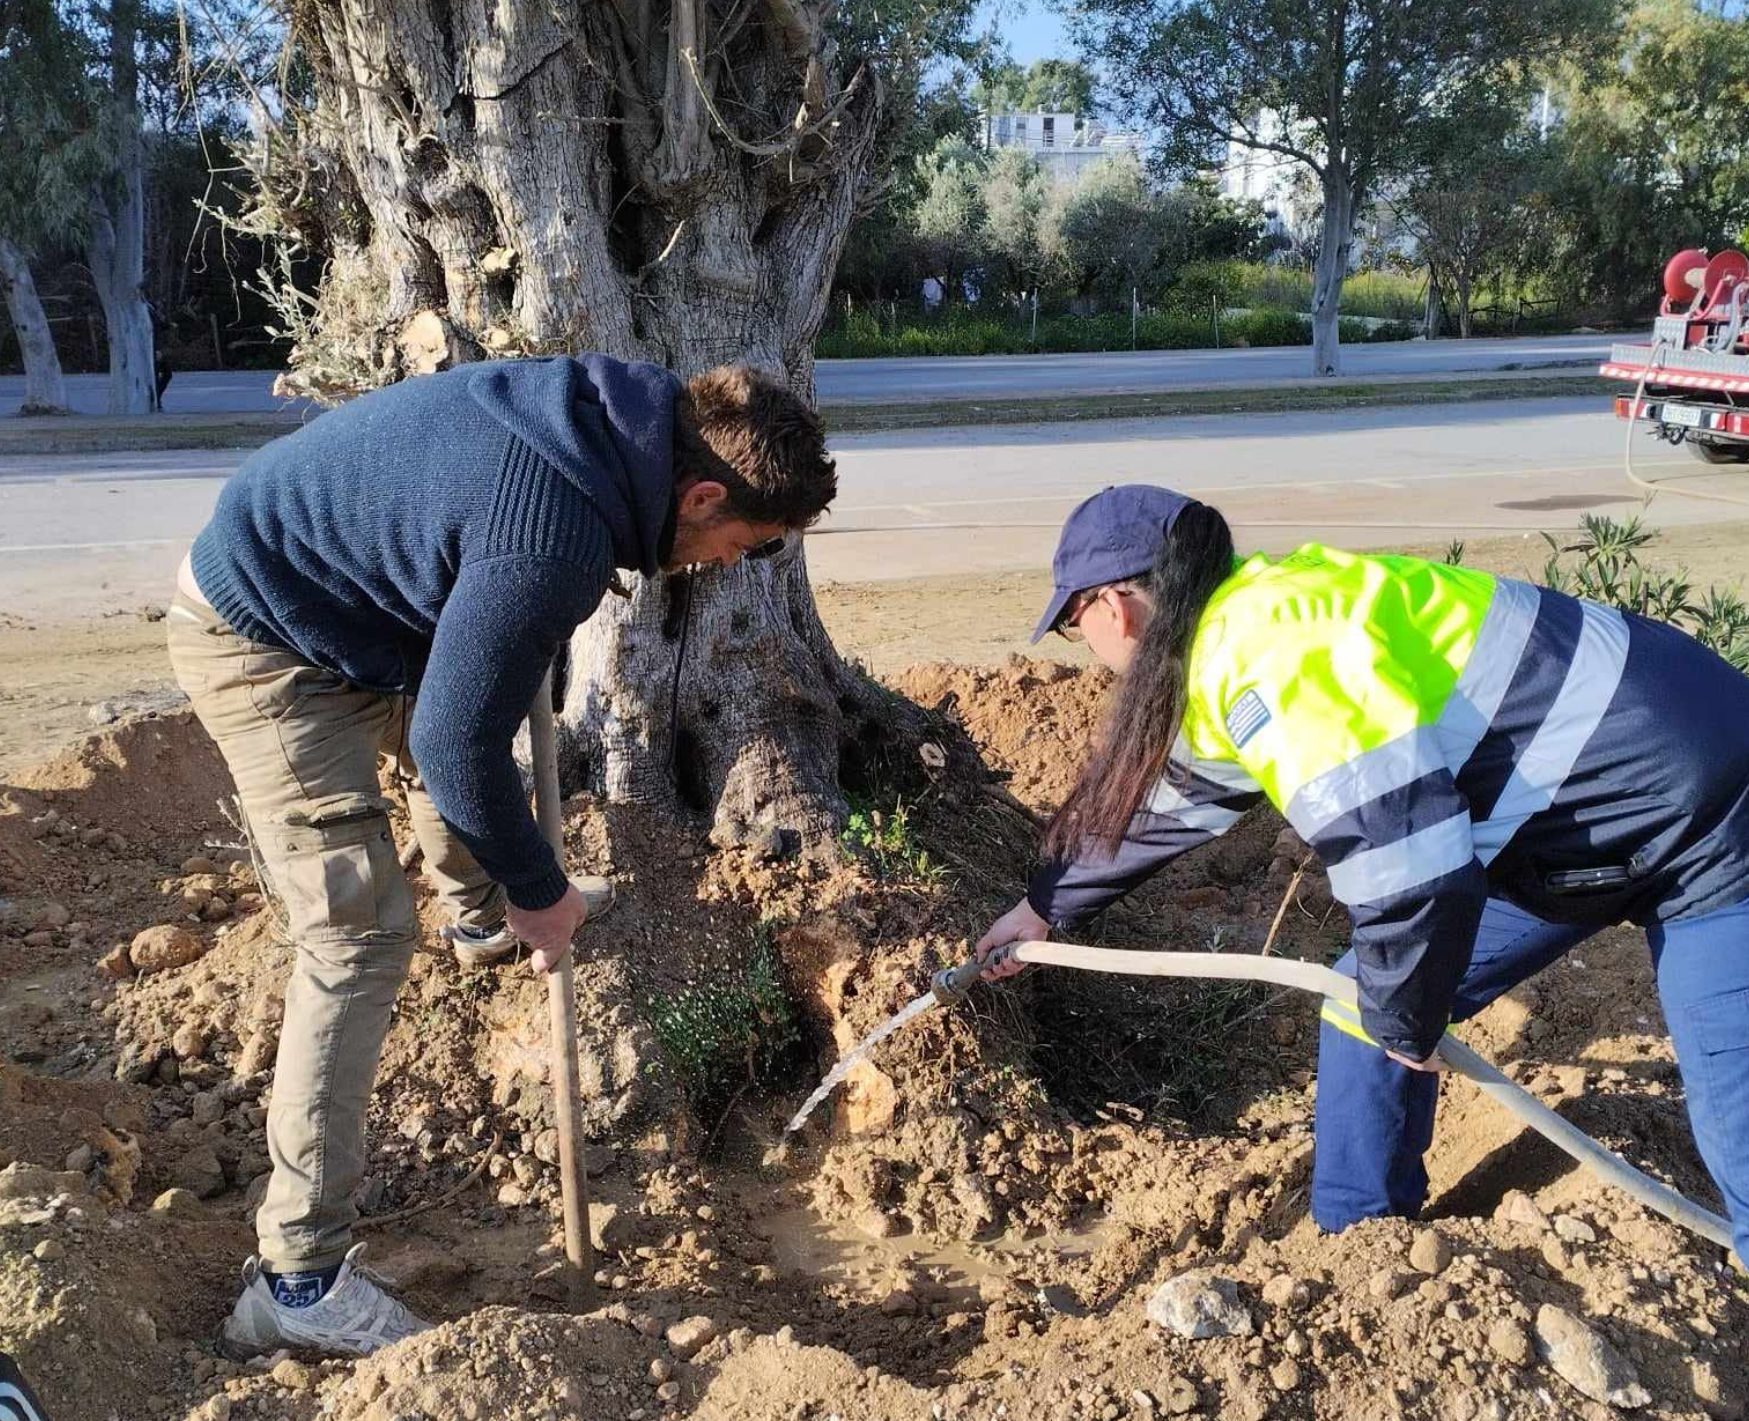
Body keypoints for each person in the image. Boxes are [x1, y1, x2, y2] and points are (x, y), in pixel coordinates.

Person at [168, 355, 837, 1357]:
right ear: (702, 495)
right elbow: (452, 741)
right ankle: (297, 1281)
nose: (730, 567)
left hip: (368, 612)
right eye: (745, 547)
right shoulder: (558, 532)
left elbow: (490, 639)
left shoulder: (615, 428)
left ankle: (477, 915)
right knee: (357, 935)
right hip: (264, 630)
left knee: (475, 750)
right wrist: (543, 892)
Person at [976, 484, 1749, 1267]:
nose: (1088, 649)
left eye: (1074, 627)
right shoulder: (1235, 634)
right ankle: (1359, 1254)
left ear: (1113, 606)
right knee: (1358, 1007)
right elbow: (1178, 803)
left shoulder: (1270, 652)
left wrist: (1409, 1017)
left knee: (1736, 1125)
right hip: (1577, 831)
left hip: (1712, 815)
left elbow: (1415, 869)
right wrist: (1044, 906)